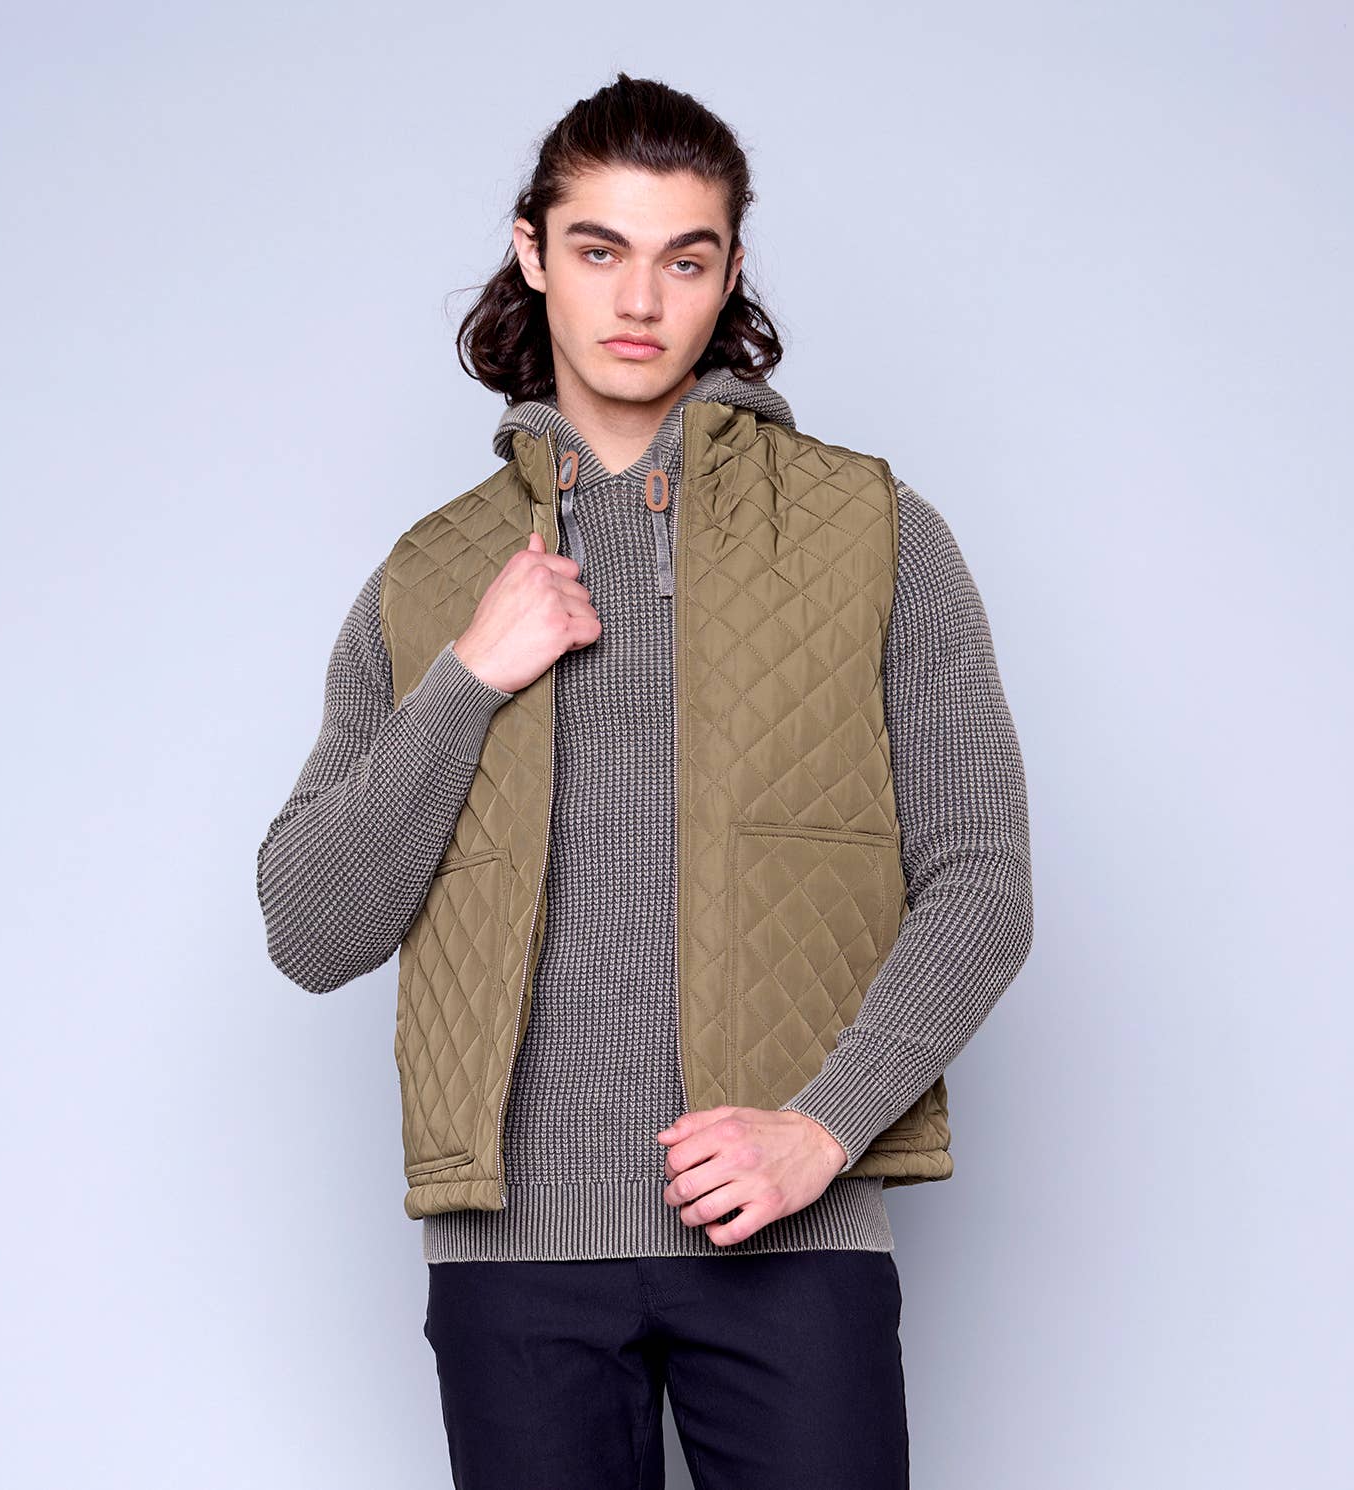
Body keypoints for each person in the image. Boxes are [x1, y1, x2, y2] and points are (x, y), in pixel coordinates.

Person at [256, 71, 1033, 1490]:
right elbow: (312, 929)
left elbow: (981, 884)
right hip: (514, 1261)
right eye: (600, 248)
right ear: (532, 251)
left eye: (684, 258)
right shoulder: (430, 576)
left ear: (728, 273)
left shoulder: (872, 529)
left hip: (789, 1238)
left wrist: (824, 1128)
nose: (638, 299)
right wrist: (469, 676)